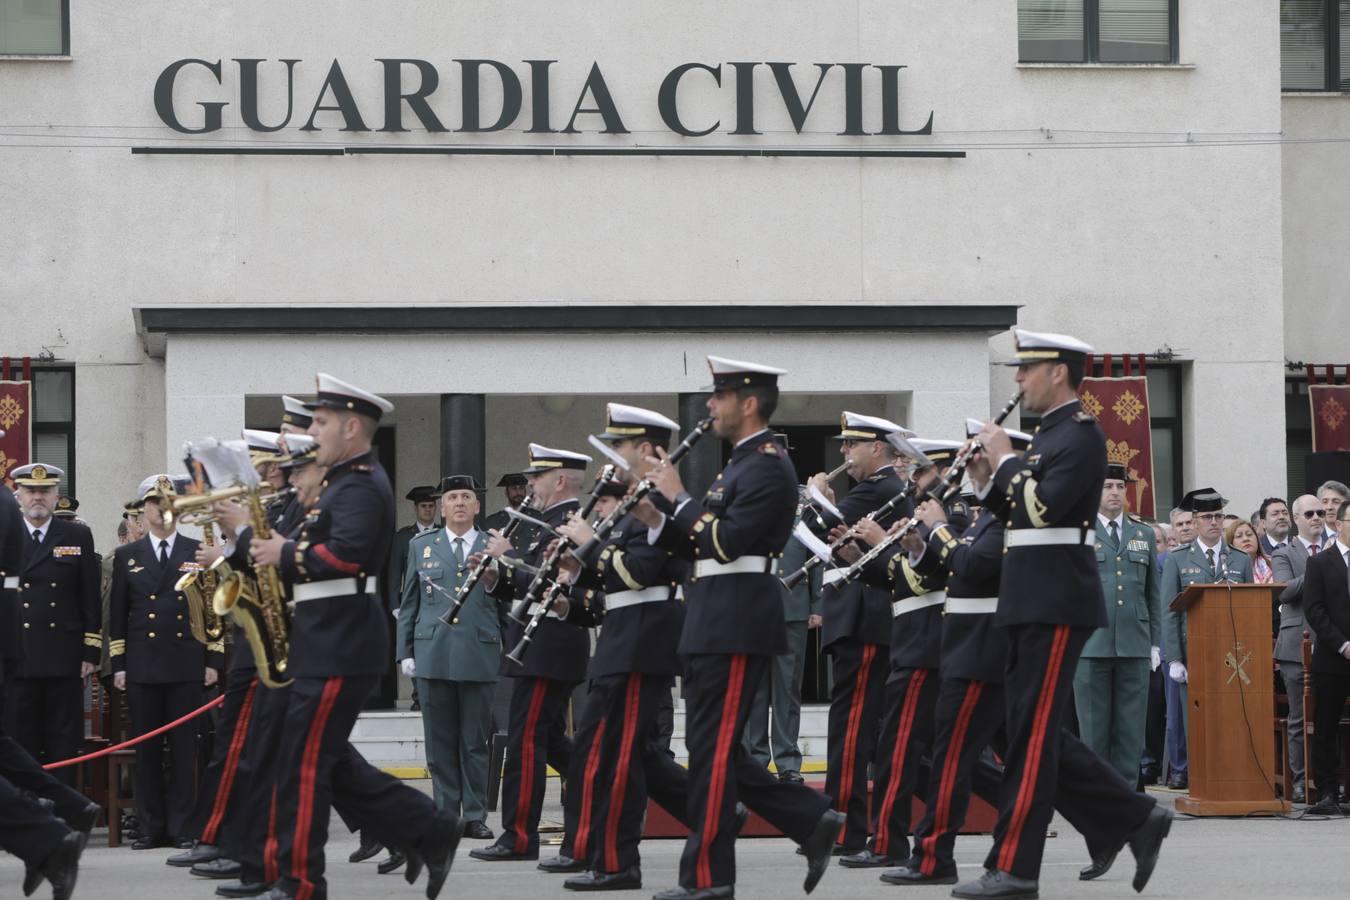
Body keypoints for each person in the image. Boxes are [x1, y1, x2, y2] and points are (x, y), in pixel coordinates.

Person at [953, 329, 1170, 900]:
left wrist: (1003, 461)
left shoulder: (1079, 436)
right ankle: (1130, 817)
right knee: (1031, 732)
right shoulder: (1049, 438)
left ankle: (1017, 868)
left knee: (1029, 738)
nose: (1019, 380)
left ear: (1058, 373)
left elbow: (1043, 510)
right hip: (1030, 599)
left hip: (1053, 600)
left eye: (1028, 369)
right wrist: (986, 476)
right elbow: (1013, 512)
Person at [244, 373, 464, 900]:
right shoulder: (341, 482)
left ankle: (300, 882)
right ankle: (430, 829)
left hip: (341, 640)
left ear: (350, 426)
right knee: (325, 760)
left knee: (305, 764)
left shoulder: (363, 483)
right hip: (322, 639)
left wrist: (285, 554)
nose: (310, 430)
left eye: (319, 422)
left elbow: (349, 556)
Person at [644, 355, 844, 900]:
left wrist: (679, 496)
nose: (710, 405)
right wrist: (658, 516)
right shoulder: (739, 464)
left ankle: (709, 879)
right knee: (718, 749)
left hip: (736, 621)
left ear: (748, 402)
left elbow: (726, 542)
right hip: (715, 618)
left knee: (712, 754)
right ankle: (809, 818)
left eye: (720, 396)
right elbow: (697, 543)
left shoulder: (767, 464)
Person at [548, 403, 698, 891]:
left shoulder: (658, 504)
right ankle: (707, 815)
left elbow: (639, 572)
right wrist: (575, 567)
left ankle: (616, 863)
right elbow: (616, 572)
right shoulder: (640, 499)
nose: (613, 457)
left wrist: (591, 544)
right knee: (618, 753)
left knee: (616, 756)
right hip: (624, 638)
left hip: (642, 642)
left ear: (648, 450)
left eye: (621, 447)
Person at [841, 436, 968, 869]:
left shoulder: (954, 514)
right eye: (913, 472)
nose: (912, 481)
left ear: (945, 473)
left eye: (921, 472)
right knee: (919, 749)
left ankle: (888, 843)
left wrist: (893, 544)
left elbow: (933, 579)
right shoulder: (926, 513)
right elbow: (900, 575)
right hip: (913, 637)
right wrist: (862, 553)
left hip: (929, 641)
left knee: (897, 748)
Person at [471, 443, 594, 863]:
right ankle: (600, 788)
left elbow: (552, 583)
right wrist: (492, 576)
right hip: (537, 647)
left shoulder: (568, 523)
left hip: (549, 649)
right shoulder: (547, 522)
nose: (528, 485)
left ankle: (519, 836)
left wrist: (507, 560)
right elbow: (528, 583)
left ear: (559, 480)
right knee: (552, 741)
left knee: (526, 741)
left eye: (536, 477)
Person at [807, 411, 914, 854]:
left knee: (853, 730)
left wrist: (816, 496)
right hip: (857, 620)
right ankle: (847, 825)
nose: (844, 453)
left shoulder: (881, 488)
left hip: (867, 620)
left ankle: (847, 828)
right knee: (855, 728)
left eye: (852, 445)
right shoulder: (871, 489)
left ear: (877, 448)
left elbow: (814, 527)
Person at [109, 474, 218, 850]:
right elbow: (117, 617)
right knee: (148, 752)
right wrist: (120, 665)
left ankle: (184, 827)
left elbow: (213, 611)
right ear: (143, 511)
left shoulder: (197, 551)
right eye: (156, 503)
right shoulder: (127, 557)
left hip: (187, 663)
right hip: (143, 666)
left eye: (170, 502)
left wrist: (213, 660)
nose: (163, 509)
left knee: (187, 751)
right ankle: (151, 826)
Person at [397, 475, 499, 840]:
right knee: (439, 742)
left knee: (474, 742)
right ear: (441, 507)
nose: (458, 502)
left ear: (477, 506)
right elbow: (409, 602)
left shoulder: (493, 545)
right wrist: (404, 652)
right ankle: (445, 813)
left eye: (465, 497)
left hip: (478, 651)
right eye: (452, 497)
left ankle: (474, 814)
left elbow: (505, 604)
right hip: (433, 652)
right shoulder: (420, 545)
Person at [5, 464, 100, 783]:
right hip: (18, 656)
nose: (37, 498)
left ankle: (66, 822)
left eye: (44, 491)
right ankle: (30, 822)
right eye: (31, 491)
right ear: (17, 494)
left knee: (64, 744)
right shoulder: (6, 532)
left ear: (55, 495)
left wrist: (90, 652)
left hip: (64, 657)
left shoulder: (76, 534)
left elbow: (90, 596)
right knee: (22, 744)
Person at [1073, 463, 1162, 796]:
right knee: (1094, 728)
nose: (1114, 492)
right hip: (1091, 643)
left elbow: (1153, 592)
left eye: (1119, 487)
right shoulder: (1080, 532)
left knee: (1130, 727)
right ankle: (1097, 796)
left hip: (1134, 642)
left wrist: (1155, 642)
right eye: (1107, 486)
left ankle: (1124, 796)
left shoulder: (1143, 534)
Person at [1160, 488, 1254, 793]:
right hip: (1193, 652)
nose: (1214, 522)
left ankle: (1231, 778)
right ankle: (1200, 781)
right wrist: (1174, 657)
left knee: (1230, 719)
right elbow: (1169, 611)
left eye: (1219, 516)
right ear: (1195, 521)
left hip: (1233, 655)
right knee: (1196, 721)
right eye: (1207, 517)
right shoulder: (1177, 560)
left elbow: (1250, 607)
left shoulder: (1239, 559)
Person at [742, 481, 820, 786]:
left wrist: (817, 604)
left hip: (793, 610)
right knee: (757, 690)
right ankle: (756, 759)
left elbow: (816, 563)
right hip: (756, 613)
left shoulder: (803, 521)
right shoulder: (750, 520)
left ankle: (787, 761)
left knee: (787, 690)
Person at [1268, 493, 1329, 805]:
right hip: (1295, 644)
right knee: (1298, 717)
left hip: (1331, 643)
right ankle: (1301, 781)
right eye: (1310, 514)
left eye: (1321, 512)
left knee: (1329, 716)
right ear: (1296, 519)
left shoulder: (1337, 549)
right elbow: (1285, 592)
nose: (1317, 518)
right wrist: (1318, 568)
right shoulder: (1284, 553)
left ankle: (1329, 782)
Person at [1299, 500, 1350, 814]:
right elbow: (1314, 610)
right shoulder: (1320, 563)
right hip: (1333, 657)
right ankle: (1327, 792)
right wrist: (1343, 644)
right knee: (1326, 725)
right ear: (1340, 523)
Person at [1227, 519, 1273, 584]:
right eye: (1239, 536)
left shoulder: (1273, 562)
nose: (1246, 539)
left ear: (1257, 538)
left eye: (1249, 534)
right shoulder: (1227, 568)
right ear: (1231, 544)